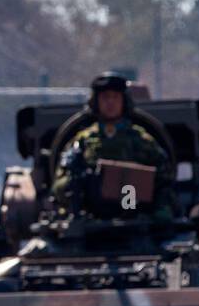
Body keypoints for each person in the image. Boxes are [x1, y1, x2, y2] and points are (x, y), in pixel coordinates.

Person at [50, 72, 176, 221]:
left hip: (135, 220)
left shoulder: (142, 142)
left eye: (115, 97)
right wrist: (78, 182)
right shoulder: (82, 142)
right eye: (105, 98)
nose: (110, 103)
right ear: (95, 102)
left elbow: (164, 181)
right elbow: (59, 185)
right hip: (91, 222)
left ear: (124, 101)